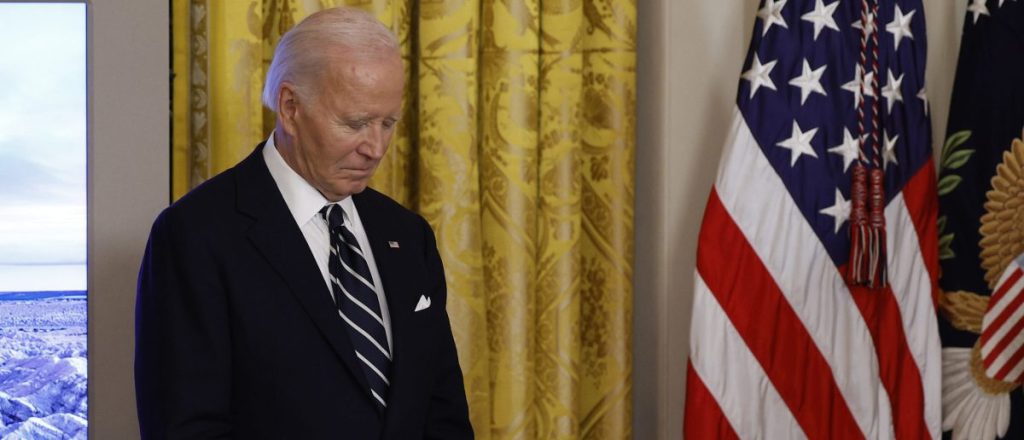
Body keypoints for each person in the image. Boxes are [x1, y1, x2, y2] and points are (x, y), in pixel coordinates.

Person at [134, 7, 473, 439]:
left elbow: (443, 414)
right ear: (290, 107)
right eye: (355, 123)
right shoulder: (195, 236)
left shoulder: (408, 235)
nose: (375, 148)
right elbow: (186, 428)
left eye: (388, 123)